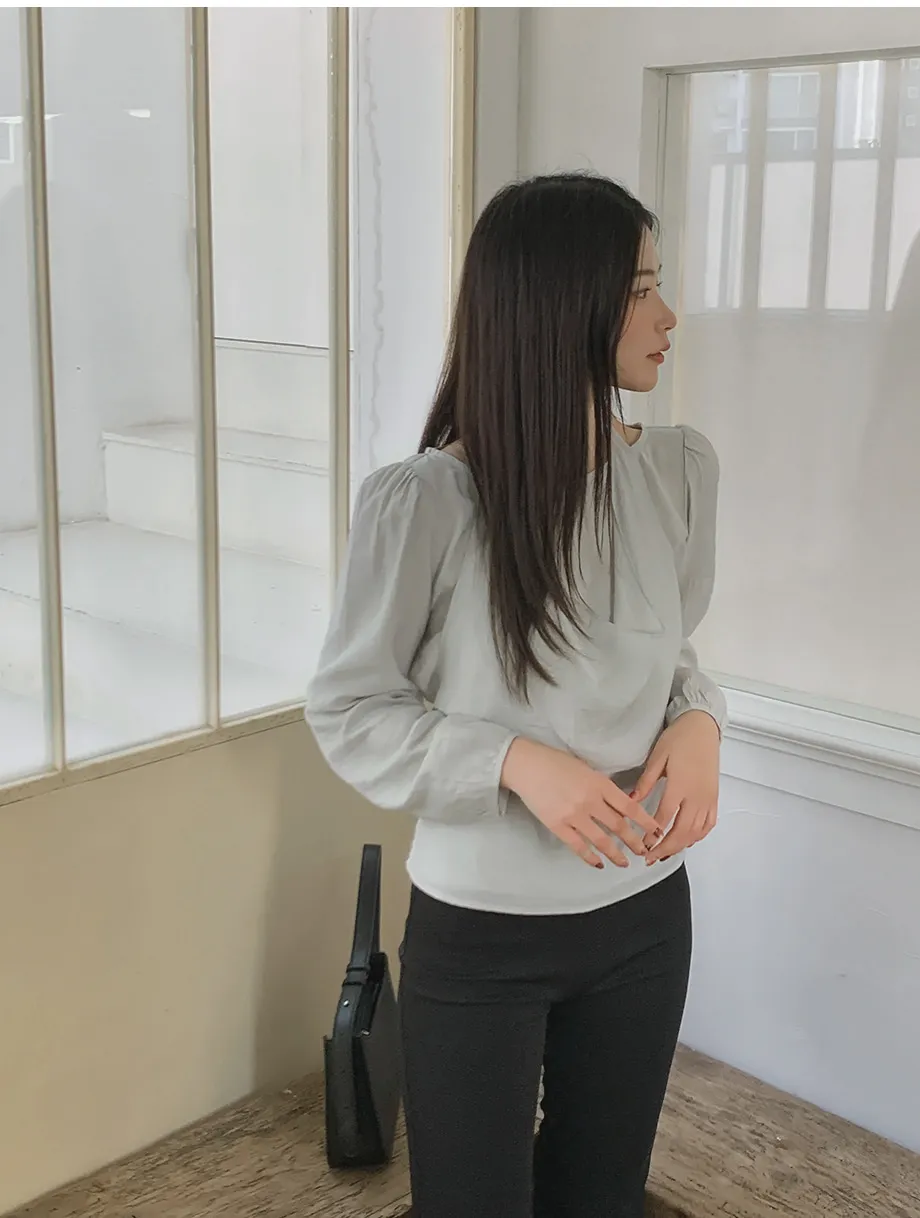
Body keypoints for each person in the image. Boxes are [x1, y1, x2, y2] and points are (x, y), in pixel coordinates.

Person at [306, 172, 726, 1218]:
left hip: (644, 918)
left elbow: (668, 649)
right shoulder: (427, 503)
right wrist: (513, 761)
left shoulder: (677, 474)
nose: (667, 317)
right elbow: (351, 710)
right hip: (482, 933)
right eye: (640, 290)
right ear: (558, 305)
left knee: (601, 1197)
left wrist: (700, 718)